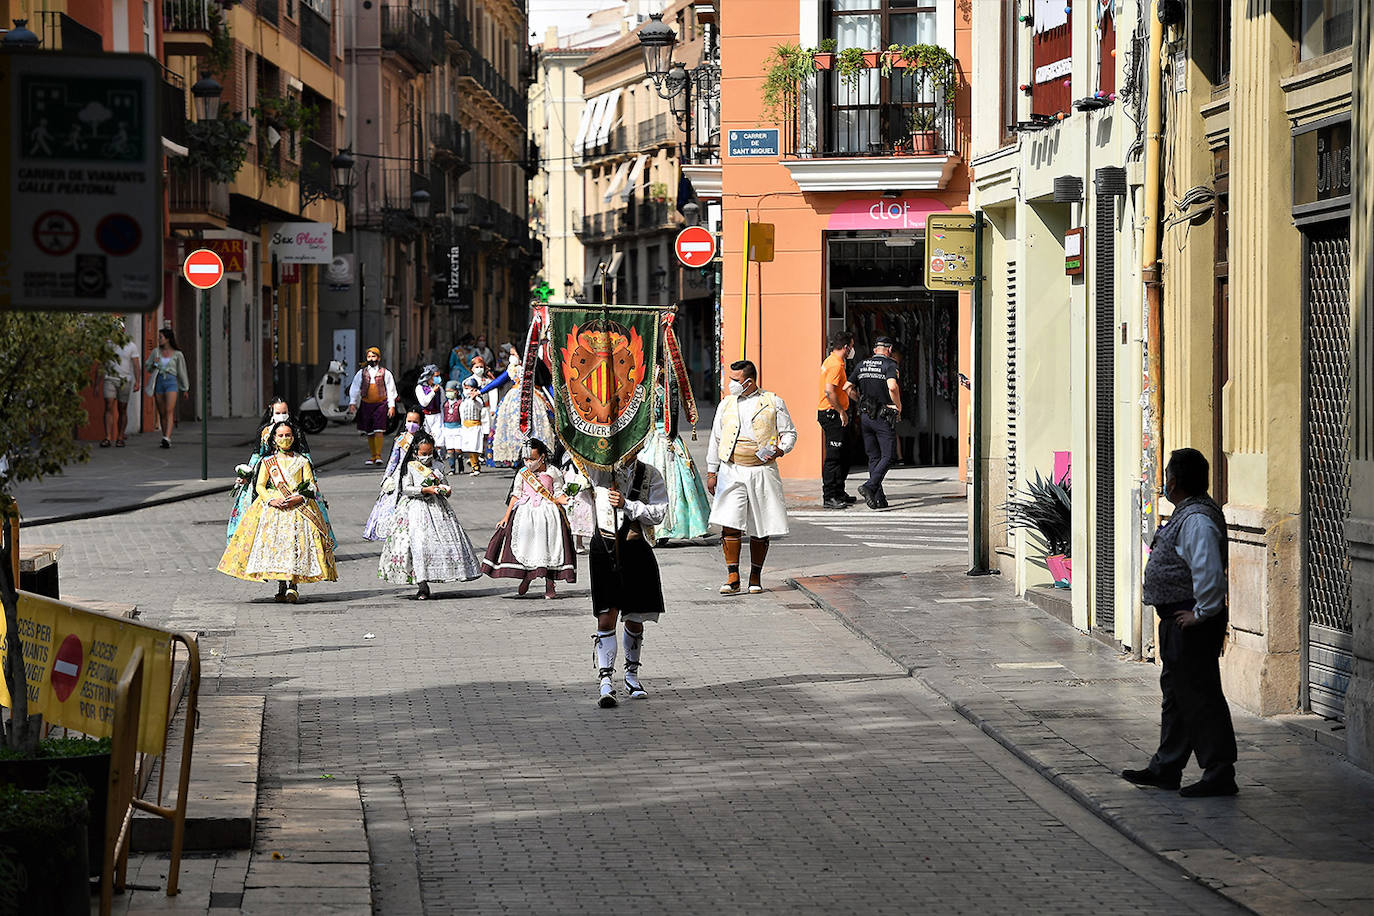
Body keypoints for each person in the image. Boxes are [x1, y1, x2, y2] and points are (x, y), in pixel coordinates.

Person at [1122, 448, 1239, 798]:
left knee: (1200, 697)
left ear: (1172, 482)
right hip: (1179, 621)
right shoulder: (1188, 514)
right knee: (1176, 695)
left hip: (1191, 623)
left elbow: (1209, 574)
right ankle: (1166, 767)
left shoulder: (1197, 520)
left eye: (1167, 476)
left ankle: (1219, 771)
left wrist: (1201, 614)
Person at [217, 420, 338, 602]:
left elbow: (310, 484)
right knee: (277, 547)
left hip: (298, 508)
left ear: (293, 437)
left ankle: (293, 585)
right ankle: (281, 584)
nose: (284, 439)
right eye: (280, 436)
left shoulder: (302, 461)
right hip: (273, 508)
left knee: (295, 546)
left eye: (288, 435)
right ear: (273, 439)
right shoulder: (267, 462)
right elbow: (260, 486)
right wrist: (271, 499)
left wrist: (300, 497)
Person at [706, 360, 798, 595]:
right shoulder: (726, 404)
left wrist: (781, 449)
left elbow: (789, 433)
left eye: (735, 381)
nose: (731, 384)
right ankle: (732, 576)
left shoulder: (773, 401)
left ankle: (755, 577)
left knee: (760, 524)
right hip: (732, 469)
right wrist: (711, 470)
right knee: (730, 521)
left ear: (749, 381)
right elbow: (716, 438)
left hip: (761, 470)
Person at [585, 454, 669, 708]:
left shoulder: (650, 473)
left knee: (635, 617)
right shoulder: (598, 471)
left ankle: (632, 676)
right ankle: (605, 680)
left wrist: (628, 504)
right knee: (606, 614)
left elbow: (658, 513)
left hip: (635, 549)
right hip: (604, 547)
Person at [378, 433, 482, 599]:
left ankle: (437, 574)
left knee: (439, 545)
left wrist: (444, 489)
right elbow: (406, 488)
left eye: (429, 453)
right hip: (414, 509)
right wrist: (424, 490)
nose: (426, 457)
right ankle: (422, 584)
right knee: (417, 546)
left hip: (437, 507)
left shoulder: (438, 466)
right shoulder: (410, 466)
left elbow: (445, 484)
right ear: (415, 452)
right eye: (423, 453)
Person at [481, 438, 576, 599]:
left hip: (548, 513)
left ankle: (549, 583)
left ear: (542, 457)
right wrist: (506, 516)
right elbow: (516, 495)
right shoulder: (522, 473)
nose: (529, 462)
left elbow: (558, 492)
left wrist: (565, 500)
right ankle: (527, 576)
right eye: (526, 459)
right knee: (527, 546)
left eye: (532, 459)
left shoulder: (553, 472)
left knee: (549, 547)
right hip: (525, 513)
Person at [228, 398, 319, 543]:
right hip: (269, 472)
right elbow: (257, 454)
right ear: (271, 412)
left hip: (294, 475)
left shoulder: (296, 430)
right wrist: (247, 473)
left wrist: (311, 480)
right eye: (278, 412)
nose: (281, 415)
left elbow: (305, 453)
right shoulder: (264, 431)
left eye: (284, 412)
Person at [639, 370, 711, 542]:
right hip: (661, 438)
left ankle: (663, 528)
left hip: (661, 438)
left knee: (665, 480)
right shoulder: (664, 393)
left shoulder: (653, 394)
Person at [853, 336, 902, 509]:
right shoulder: (890, 364)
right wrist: (898, 406)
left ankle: (878, 499)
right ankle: (870, 486)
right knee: (889, 456)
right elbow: (892, 387)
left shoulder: (861, 364)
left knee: (874, 457)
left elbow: (847, 387)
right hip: (883, 414)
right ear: (889, 350)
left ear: (875, 350)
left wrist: (860, 400)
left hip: (866, 415)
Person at [363, 409, 424, 542]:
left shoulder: (424, 439)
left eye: (415, 422)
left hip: (417, 476)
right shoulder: (401, 439)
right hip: (399, 476)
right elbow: (393, 461)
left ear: (421, 423)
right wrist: (387, 477)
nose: (411, 424)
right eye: (409, 421)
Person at [817, 330, 858, 509]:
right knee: (834, 457)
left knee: (845, 454)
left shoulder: (834, 362)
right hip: (832, 414)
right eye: (852, 346)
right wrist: (841, 411)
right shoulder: (834, 365)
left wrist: (859, 400)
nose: (853, 350)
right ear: (846, 347)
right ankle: (830, 496)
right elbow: (829, 391)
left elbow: (843, 388)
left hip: (835, 412)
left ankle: (839, 491)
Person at [348, 347, 398, 466]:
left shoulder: (385, 373)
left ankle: (378, 455)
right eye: (369, 356)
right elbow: (355, 388)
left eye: (374, 356)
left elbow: (391, 390)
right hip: (366, 405)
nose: (371, 359)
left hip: (380, 404)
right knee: (369, 431)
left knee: (379, 429)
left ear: (379, 358)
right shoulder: (362, 373)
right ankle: (372, 456)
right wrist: (352, 402)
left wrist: (392, 406)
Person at [145, 328, 190, 449]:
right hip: (159, 380)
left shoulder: (177, 354)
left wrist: (185, 388)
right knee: (162, 412)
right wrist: (154, 363)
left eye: (161, 337)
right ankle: (164, 436)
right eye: (159, 337)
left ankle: (167, 437)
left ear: (168, 339)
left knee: (169, 410)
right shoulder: (156, 352)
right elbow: (148, 367)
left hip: (171, 381)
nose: (159, 339)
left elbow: (182, 371)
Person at [101, 319, 140, 448]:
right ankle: (107, 437)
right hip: (109, 378)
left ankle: (120, 436)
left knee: (122, 408)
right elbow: (102, 363)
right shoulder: (108, 345)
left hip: (124, 380)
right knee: (108, 405)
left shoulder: (131, 345)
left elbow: (135, 364)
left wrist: (137, 381)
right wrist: (97, 382)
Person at [455, 376, 488, 475]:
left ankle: (476, 464)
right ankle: (475, 466)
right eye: (466, 388)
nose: (468, 390)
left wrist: (474, 399)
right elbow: (462, 414)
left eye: (470, 388)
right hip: (466, 426)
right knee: (469, 447)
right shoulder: (464, 401)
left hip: (475, 426)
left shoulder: (478, 400)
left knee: (475, 447)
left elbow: (480, 408)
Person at [436, 381, 465, 472]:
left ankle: (461, 467)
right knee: (450, 450)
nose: (449, 393)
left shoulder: (460, 403)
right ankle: (452, 468)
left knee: (458, 449)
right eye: (447, 391)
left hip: (458, 427)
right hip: (447, 428)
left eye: (451, 391)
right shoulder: (445, 404)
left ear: (457, 391)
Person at [415, 364, 444, 439]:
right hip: (425, 416)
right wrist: (432, 392)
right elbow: (424, 403)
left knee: (438, 439)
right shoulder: (420, 388)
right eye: (436, 376)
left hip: (437, 416)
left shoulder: (439, 388)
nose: (438, 378)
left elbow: (442, 403)